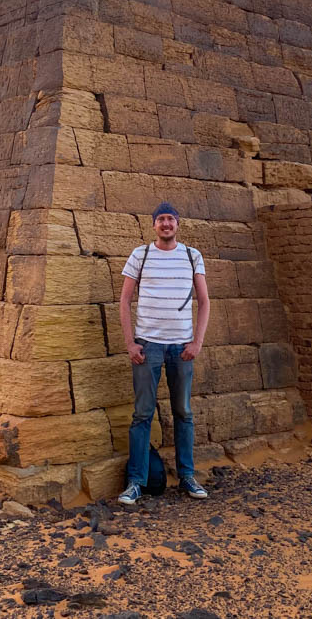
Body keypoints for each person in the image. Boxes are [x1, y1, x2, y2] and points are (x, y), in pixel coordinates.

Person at [117, 202, 210, 504]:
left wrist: (197, 342)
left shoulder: (191, 255)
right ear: (154, 225)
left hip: (181, 347)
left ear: (178, 224)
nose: (166, 224)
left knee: (183, 412)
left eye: (171, 219)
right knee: (142, 413)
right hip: (149, 346)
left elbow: (205, 301)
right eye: (161, 220)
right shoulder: (140, 255)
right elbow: (124, 301)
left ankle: (187, 476)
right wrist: (130, 343)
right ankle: (135, 482)